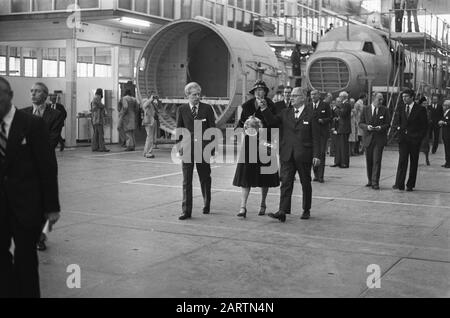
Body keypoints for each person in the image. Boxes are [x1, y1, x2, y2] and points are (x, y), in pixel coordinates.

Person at [0, 77, 60, 298]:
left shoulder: (32, 124)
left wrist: (52, 206)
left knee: (26, 260)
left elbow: (47, 167)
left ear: (10, 95)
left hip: (26, 207)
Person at [261, 87, 320, 222]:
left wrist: (317, 155)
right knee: (286, 183)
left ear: (303, 97)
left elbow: (317, 137)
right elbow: (272, 121)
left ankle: (306, 209)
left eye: (294, 95)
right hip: (287, 154)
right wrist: (264, 109)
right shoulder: (285, 112)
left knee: (305, 182)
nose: (291, 97)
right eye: (291, 96)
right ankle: (282, 211)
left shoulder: (311, 114)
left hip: (303, 154)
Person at [233, 80, 280, 218]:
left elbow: (274, 123)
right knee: (246, 174)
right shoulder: (246, 106)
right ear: (253, 93)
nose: (260, 92)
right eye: (257, 90)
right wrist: (245, 125)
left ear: (266, 92)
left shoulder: (271, 105)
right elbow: (241, 123)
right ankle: (243, 207)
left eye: (262, 90)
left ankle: (263, 203)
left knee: (265, 175)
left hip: (266, 141)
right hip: (250, 143)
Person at [176, 82, 216, 220]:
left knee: (205, 178)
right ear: (188, 95)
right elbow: (179, 129)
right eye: (194, 94)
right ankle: (186, 211)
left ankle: (206, 203)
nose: (197, 97)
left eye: (199, 94)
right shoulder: (182, 109)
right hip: (187, 149)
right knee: (186, 181)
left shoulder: (207, 109)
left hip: (203, 149)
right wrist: (179, 147)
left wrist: (211, 149)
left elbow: (212, 130)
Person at [392, 89, 428, 191]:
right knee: (402, 161)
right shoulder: (400, 107)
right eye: (403, 96)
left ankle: (410, 184)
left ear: (412, 97)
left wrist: (418, 138)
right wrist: (398, 131)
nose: (404, 98)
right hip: (403, 140)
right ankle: (400, 184)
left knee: (413, 162)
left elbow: (424, 126)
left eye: (406, 96)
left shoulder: (420, 109)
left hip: (414, 141)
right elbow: (396, 122)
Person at [359, 92, 391, 190]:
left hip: (379, 139)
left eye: (382, 99)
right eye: (379, 99)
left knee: (377, 160)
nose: (381, 101)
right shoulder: (365, 109)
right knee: (369, 161)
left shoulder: (385, 110)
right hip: (368, 139)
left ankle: (375, 182)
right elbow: (360, 123)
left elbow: (387, 124)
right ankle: (370, 180)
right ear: (373, 98)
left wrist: (380, 127)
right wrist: (367, 127)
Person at [22, 83, 63, 150]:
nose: (33, 94)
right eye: (31, 91)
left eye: (37, 91)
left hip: (45, 157)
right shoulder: (22, 113)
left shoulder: (55, 115)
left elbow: (52, 141)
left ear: (45, 95)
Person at [310, 90, 331, 183]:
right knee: (313, 154)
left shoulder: (325, 105)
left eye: (314, 94)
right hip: (311, 134)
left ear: (318, 95)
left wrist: (323, 120)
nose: (313, 96)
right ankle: (315, 174)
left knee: (321, 154)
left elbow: (330, 117)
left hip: (322, 134)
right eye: (311, 94)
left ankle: (321, 176)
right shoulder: (308, 106)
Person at [330, 91, 352, 168]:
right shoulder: (343, 104)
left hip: (344, 128)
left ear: (344, 97)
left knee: (343, 146)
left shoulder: (347, 104)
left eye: (340, 96)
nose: (339, 98)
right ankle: (338, 161)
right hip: (340, 127)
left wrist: (335, 108)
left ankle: (344, 162)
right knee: (338, 146)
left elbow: (342, 114)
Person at [91, 88, 110, 153]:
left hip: (95, 119)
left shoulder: (95, 98)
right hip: (98, 119)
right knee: (101, 134)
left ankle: (95, 147)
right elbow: (101, 105)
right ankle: (102, 148)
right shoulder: (97, 98)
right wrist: (104, 106)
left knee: (96, 134)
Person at [142, 93, 159, 159]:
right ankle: (148, 152)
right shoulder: (145, 101)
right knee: (150, 137)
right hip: (148, 121)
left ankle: (145, 152)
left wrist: (156, 101)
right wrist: (150, 99)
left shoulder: (152, 102)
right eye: (153, 95)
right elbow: (144, 105)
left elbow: (157, 110)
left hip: (153, 121)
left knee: (150, 137)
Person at [419, 97, 431, 166]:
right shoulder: (418, 111)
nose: (425, 105)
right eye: (424, 103)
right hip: (419, 131)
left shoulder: (428, 111)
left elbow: (430, 119)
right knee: (418, 145)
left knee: (426, 145)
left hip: (426, 131)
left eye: (426, 103)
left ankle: (427, 159)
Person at [438, 100, 450, 168]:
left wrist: (444, 123)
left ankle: (449, 163)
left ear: (448, 106)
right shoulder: (445, 112)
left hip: (448, 134)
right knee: (446, 149)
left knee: (448, 149)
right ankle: (447, 162)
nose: (443, 106)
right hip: (445, 134)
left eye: (445, 105)